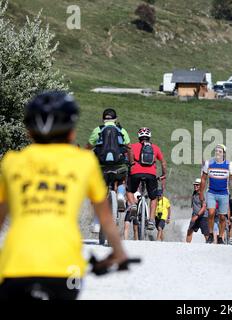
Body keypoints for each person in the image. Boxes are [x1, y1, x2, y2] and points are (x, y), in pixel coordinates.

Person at [0, 91, 128, 300]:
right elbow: (105, 218)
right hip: (65, 269)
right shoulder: (83, 163)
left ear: (30, 132)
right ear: (71, 132)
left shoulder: (12, 161)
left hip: (14, 267)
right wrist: (119, 254)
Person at [86, 108, 132, 236]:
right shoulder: (121, 130)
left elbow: (89, 146)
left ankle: (96, 223)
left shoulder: (98, 130)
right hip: (119, 165)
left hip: (102, 167)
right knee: (122, 179)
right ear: (116, 119)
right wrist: (131, 162)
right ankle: (121, 195)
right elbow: (129, 147)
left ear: (103, 119)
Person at [126, 127, 167, 231]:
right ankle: (151, 220)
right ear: (149, 136)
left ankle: (133, 205)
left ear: (139, 136)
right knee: (153, 197)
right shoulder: (155, 148)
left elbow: (126, 157)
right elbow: (163, 162)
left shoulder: (133, 146)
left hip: (135, 173)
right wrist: (164, 174)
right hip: (151, 174)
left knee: (129, 191)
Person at [199, 144, 232, 244]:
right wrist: (201, 193)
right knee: (211, 213)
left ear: (224, 154)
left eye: (220, 152)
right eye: (216, 151)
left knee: (222, 217)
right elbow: (203, 179)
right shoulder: (209, 163)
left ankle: (220, 237)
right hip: (211, 192)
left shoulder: (229, 164)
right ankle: (211, 234)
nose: (217, 153)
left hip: (224, 193)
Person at [186, 179, 208, 243]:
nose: (195, 186)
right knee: (189, 231)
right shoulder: (194, 193)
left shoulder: (202, 194)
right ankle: (186, 246)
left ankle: (210, 246)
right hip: (195, 215)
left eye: (197, 185)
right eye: (195, 185)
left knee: (206, 233)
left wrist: (197, 216)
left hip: (203, 217)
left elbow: (204, 207)